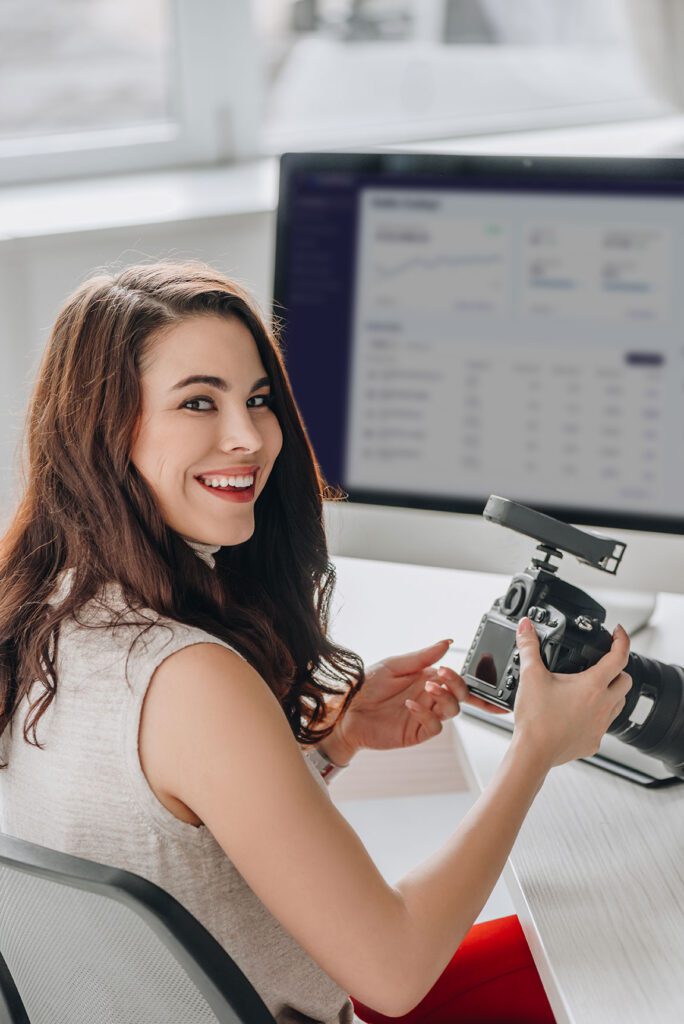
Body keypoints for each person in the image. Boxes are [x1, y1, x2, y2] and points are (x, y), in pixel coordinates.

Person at [0, 262, 632, 1024]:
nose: (250, 438)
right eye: (199, 402)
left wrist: (329, 742)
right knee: (623, 935)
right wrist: (535, 748)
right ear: (103, 430)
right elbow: (395, 971)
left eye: (259, 399)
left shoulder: (38, 607)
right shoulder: (189, 678)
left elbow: (159, 817)